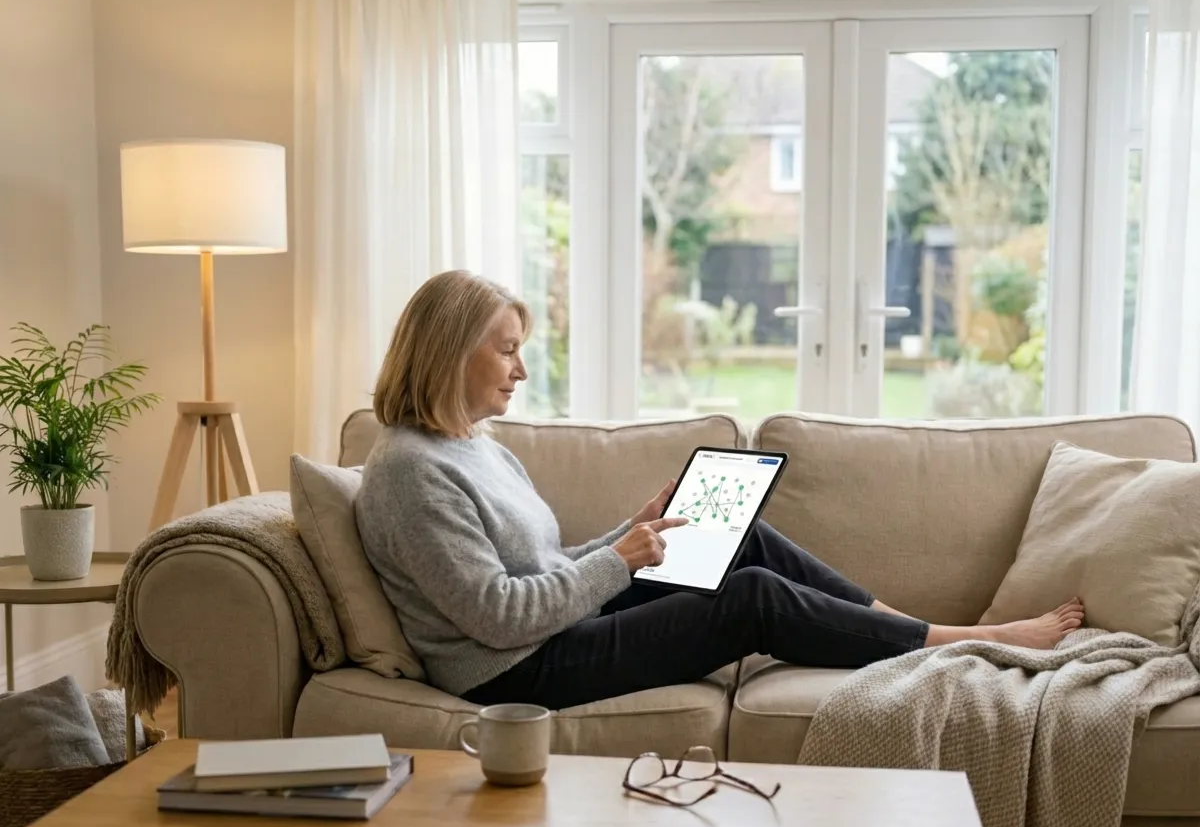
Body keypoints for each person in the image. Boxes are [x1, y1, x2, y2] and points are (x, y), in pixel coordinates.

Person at [356, 270, 1085, 711]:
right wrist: (620, 561)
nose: (520, 370)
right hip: (514, 671)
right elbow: (496, 616)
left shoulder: (476, 446)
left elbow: (540, 568)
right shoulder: (411, 471)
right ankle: (957, 641)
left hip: (549, 631)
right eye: (508, 350)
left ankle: (913, 628)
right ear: (450, 352)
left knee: (737, 536)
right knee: (752, 599)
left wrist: (629, 534)